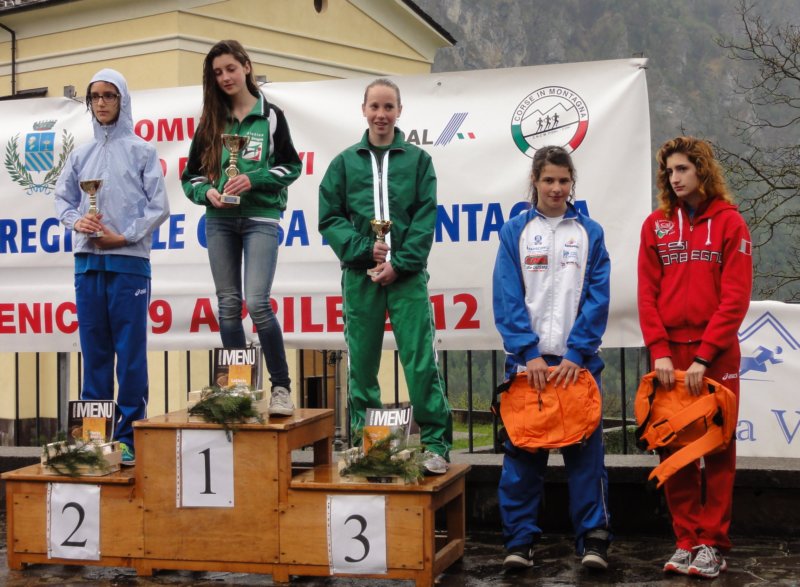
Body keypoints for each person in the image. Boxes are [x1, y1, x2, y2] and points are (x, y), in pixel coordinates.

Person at [318, 78, 452, 475]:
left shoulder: (418, 161)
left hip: (407, 276)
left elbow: (425, 218)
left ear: (399, 111)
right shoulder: (344, 163)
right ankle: (370, 445)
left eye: (388, 107)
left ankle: (435, 444)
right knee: (361, 366)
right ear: (363, 110)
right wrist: (364, 249)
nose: (381, 114)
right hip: (360, 277)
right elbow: (330, 218)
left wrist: (401, 263)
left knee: (420, 361)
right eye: (374, 106)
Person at [492, 146, 612, 570]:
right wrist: (529, 353)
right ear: (535, 182)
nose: (557, 188)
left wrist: (577, 352)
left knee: (586, 461)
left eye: (563, 180)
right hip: (529, 369)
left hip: (578, 366)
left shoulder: (590, 232)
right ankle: (519, 543)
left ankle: (593, 541)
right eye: (549, 180)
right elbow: (507, 296)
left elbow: (598, 296)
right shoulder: (515, 232)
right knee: (523, 460)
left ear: (572, 182)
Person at [638, 136, 752, 579]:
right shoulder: (656, 226)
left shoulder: (730, 223)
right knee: (674, 445)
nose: (674, 178)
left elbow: (735, 298)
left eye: (683, 168)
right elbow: (647, 294)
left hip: (715, 356)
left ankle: (712, 543)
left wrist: (704, 357)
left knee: (718, 448)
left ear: (702, 170)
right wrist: (660, 351)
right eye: (669, 171)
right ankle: (686, 540)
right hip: (669, 357)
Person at [55, 68, 170, 465]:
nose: (101, 102)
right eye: (95, 96)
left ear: (123, 100)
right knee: (95, 353)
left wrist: (124, 237)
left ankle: (128, 438)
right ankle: (94, 434)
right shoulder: (80, 154)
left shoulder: (142, 151)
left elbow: (159, 207)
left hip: (129, 263)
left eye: (109, 95)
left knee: (130, 354)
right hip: (88, 263)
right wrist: (78, 222)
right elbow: (62, 200)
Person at [182, 40, 301, 416]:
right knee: (228, 306)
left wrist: (254, 179)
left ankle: (281, 388)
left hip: (261, 217)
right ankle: (238, 388)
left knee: (258, 303)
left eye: (230, 68)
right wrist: (207, 192)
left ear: (247, 66)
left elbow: (291, 167)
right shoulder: (210, 120)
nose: (225, 77)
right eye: (217, 72)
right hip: (219, 220)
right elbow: (190, 176)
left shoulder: (272, 116)